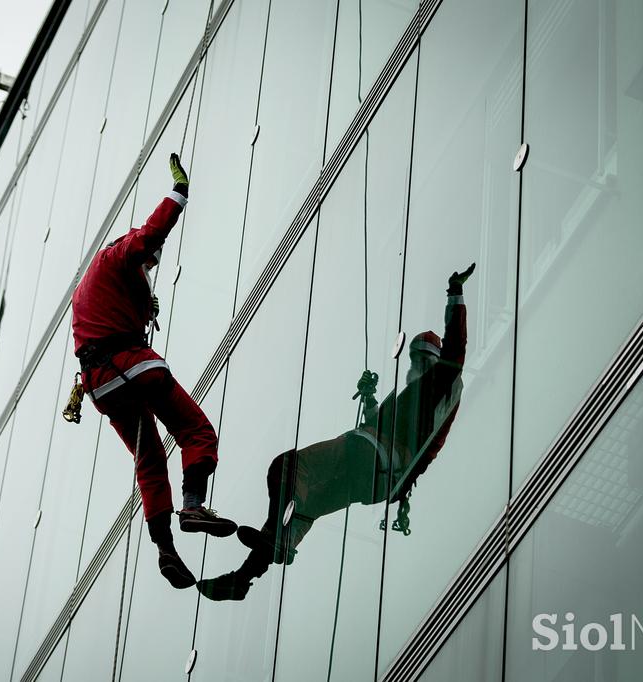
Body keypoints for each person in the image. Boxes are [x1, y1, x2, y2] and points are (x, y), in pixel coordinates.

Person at [197, 264, 475, 600]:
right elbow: (383, 426)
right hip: (376, 473)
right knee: (304, 508)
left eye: (420, 359)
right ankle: (242, 578)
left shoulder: (438, 384)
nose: (414, 366)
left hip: (371, 456)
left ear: (432, 359)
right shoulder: (413, 397)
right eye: (414, 359)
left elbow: (456, 352)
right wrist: (372, 398)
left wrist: (455, 294)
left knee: (287, 467)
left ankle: (274, 539)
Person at [71, 153, 236, 589]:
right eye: (151, 262)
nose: (151, 265)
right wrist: (178, 195)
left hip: (101, 386)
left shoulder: (94, 286)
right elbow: (147, 236)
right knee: (194, 428)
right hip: (131, 367)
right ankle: (194, 504)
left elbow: (102, 318)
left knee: (149, 459)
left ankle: (164, 548)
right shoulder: (117, 255)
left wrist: (142, 306)